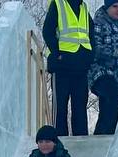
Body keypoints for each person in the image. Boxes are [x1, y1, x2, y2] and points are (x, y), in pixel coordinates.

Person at [43, 0, 94, 136]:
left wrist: (90, 56)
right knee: (60, 107)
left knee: (80, 107)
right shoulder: (59, 4)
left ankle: (82, 140)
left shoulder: (83, 7)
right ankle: (60, 141)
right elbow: (47, 31)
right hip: (62, 66)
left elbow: (91, 34)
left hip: (81, 66)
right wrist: (57, 53)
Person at [88, 0, 118, 136]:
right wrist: (115, 51)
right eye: (115, 6)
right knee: (113, 94)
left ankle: (101, 135)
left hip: (117, 75)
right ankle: (107, 133)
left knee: (108, 103)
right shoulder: (98, 23)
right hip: (99, 72)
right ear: (107, 7)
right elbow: (94, 48)